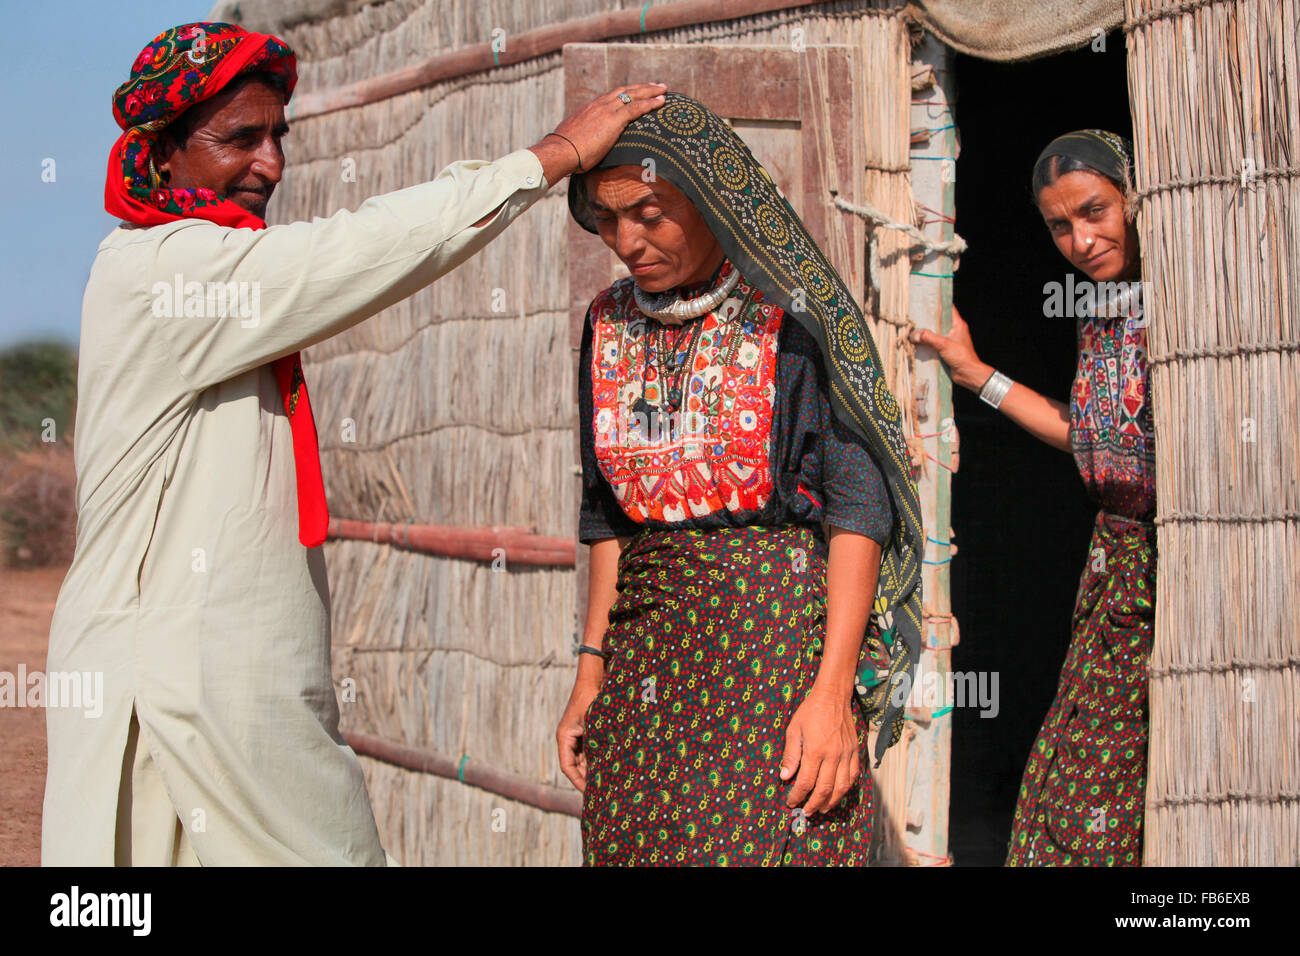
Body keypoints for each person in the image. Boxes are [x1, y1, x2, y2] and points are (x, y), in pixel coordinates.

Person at [42, 20, 665, 866]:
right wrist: (546, 159)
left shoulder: (212, 267)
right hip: (182, 672)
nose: (270, 162)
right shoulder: (165, 274)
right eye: (239, 138)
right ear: (163, 152)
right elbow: (363, 248)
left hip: (217, 672)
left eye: (277, 136)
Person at [555, 93, 925, 866]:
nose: (628, 240)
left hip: (773, 652)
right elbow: (606, 515)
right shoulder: (607, 321)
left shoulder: (793, 315)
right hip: (648, 655)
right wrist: (590, 670)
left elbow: (858, 505)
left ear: (710, 197)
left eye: (650, 213)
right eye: (608, 218)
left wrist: (832, 696)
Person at [911, 129, 1155, 866]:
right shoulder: (1102, 308)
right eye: (1060, 225)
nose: (1081, 239)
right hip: (1115, 568)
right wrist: (973, 371)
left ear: (1135, 199)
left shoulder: (1192, 302)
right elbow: (1086, 432)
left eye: (1096, 211)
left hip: (1186, 565)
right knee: (1079, 775)